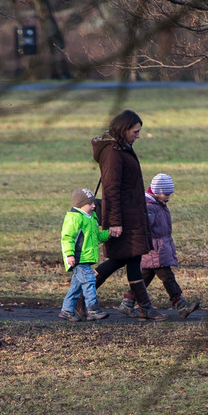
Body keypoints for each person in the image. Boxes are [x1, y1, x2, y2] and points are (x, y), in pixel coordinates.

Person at [82, 109, 166, 322]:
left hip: (132, 215)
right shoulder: (113, 152)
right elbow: (111, 189)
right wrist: (115, 222)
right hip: (124, 217)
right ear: (124, 129)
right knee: (123, 259)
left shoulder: (121, 148)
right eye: (135, 131)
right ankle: (81, 300)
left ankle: (143, 308)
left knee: (129, 259)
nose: (138, 135)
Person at [117, 173, 200, 319]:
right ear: (156, 191)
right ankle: (180, 304)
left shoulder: (157, 204)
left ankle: (128, 302)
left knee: (144, 277)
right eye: (166, 194)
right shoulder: (150, 207)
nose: (168, 197)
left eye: (170, 194)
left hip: (157, 248)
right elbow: (144, 228)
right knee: (167, 277)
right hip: (154, 250)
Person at [59, 187, 110, 322]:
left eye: (94, 203)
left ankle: (67, 310)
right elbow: (67, 238)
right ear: (80, 205)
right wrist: (70, 255)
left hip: (85, 257)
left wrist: (108, 234)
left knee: (76, 286)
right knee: (89, 281)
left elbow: (95, 237)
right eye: (90, 204)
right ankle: (93, 309)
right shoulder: (75, 218)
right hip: (78, 258)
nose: (94, 206)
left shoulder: (90, 217)